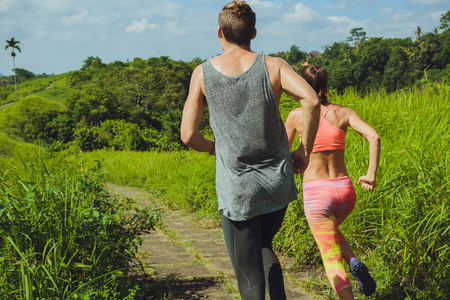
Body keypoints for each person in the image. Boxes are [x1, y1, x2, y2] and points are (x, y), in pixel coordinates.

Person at [180, 1, 320, 299]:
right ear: (253, 33)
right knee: (264, 246)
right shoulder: (275, 66)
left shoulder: (202, 73)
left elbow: (189, 135)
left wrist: (213, 148)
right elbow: (311, 101)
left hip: (238, 188)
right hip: (277, 183)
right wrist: (304, 151)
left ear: (219, 31)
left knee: (248, 275)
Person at [284, 65, 380, 299]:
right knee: (331, 230)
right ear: (325, 85)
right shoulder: (344, 112)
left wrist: (297, 157)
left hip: (318, 194)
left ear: (301, 86)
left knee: (329, 255)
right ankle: (354, 260)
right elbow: (373, 136)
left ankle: (348, 288)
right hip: (345, 190)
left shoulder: (296, 116)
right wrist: (370, 175)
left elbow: (284, 155)